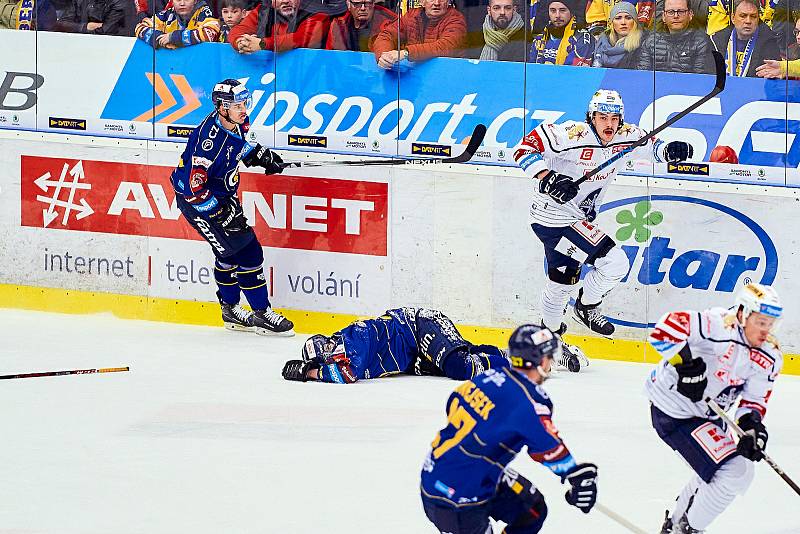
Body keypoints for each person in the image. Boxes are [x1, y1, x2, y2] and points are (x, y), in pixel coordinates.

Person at [511, 90, 692, 341]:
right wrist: (548, 178)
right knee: (615, 262)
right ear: (591, 117)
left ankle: (548, 338)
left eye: (614, 118)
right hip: (553, 217)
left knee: (561, 282)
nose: (609, 124)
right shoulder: (569, 134)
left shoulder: (628, 135)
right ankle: (586, 306)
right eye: (602, 117)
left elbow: (654, 149)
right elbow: (523, 149)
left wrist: (672, 149)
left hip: (570, 219)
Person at [420, 324, 599, 533]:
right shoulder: (531, 402)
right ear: (540, 361)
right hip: (457, 500)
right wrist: (576, 475)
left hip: (440, 472)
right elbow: (549, 447)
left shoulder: (491, 376)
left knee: (532, 510)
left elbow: (454, 401)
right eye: (550, 356)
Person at [646, 283, 783, 534]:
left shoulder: (770, 355)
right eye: (760, 322)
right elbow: (663, 331)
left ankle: (676, 525)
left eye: (770, 323)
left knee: (716, 471)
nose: (766, 330)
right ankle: (687, 529)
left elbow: (753, 400)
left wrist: (751, 428)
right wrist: (686, 365)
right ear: (742, 313)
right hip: (675, 411)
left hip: (709, 415)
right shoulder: (716, 324)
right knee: (735, 471)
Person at [171, 79, 294, 336]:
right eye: (237, 105)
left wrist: (259, 155)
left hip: (223, 197)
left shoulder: (236, 122)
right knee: (248, 252)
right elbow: (192, 188)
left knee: (228, 255)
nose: (243, 109)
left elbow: (238, 146)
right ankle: (261, 313)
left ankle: (230, 310)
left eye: (244, 103)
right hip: (200, 204)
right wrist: (219, 213)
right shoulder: (207, 144)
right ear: (221, 107)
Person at [281, 308, 510, 383]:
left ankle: (519, 363)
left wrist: (310, 372)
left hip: (418, 326)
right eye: (323, 354)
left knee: (460, 367)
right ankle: (507, 354)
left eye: (326, 345)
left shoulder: (353, 335)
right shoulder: (342, 353)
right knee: (460, 355)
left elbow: (350, 374)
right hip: (412, 356)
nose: (329, 351)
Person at [372, 0, 467, 69]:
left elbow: (445, 46)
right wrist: (384, 56)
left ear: (448, 2)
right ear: (422, 2)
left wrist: (405, 53)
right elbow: (387, 35)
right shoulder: (412, 15)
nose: (437, 3)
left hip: (447, 73)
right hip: (417, 75)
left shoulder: (456, 19)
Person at [637, 0, 716, 73]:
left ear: (690, 14)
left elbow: (703, 81)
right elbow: (642, 76)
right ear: (663, 16)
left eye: (681, 11)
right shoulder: (651, 41)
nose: (676, 16)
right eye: (671, 12)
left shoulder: (702, 42)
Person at [228, 0, 332, 53]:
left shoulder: (318, 13)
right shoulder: (263, 11)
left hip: (309, 77)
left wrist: (262, 44)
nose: (286, 1)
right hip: (269, 75)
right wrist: (241, 43)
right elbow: (239, 30)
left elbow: (300, 39)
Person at [710, 0, 779, 77]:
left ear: (758, 19)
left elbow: (770, 80)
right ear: (733, 18)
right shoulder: (716, 41)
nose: (748, 21)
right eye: (743, 16)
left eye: (753, 16)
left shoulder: (770, 43)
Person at [529, 0, 596, 65]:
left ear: (571, 12)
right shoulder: (539, 39)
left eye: (562, 10)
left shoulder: (583, 39)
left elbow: (573, 73)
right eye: (553, 10)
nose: (557, 15)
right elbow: (531, 70)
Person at [135, 0, 220, 48]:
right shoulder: (167, 14)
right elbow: (139, 28)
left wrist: (174, 38)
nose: (182, 3)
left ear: (195, 1)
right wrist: (160, 38)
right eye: (178, 0)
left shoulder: (204, 12)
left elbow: (209, 33)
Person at [325, 0, 397, 51]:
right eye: (357, 4)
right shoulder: (339, 26)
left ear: (373, 4)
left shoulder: (390, 24)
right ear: (348, 4)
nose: (363, 8)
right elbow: (331, 58)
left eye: (368, 3)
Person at [592, 1, 646, 67]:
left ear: (635, 22)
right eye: (618, 18)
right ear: (611, 23)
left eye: (628, 18)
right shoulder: (601, 43)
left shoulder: (644, 44)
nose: (623, 22)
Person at [54, 0, 132, 35]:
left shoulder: (120, 2)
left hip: (108, 47)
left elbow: (107, 31)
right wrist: (85, 27)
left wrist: (74, 27)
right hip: (78, 44)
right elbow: (61, 24)